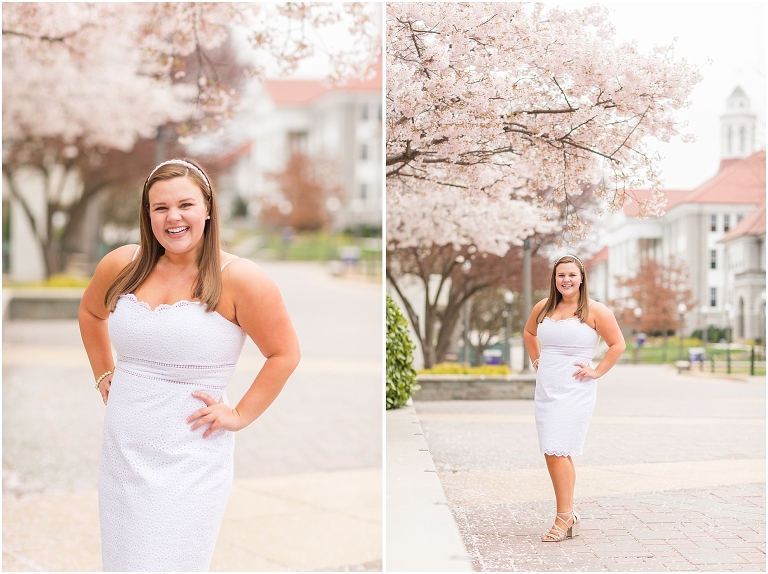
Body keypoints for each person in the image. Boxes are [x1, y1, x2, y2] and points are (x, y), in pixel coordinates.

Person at [78, 158, 300, 571]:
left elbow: (284, 353)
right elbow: (91, 314)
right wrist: (104, 373)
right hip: (125, 449)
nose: (173, 217)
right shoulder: (121, 265)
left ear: (208, 208)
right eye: (160, 207)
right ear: (147, 215)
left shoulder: (241, 278)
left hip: (192, 455)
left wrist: (238, 414)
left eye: (185, 205)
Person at [523, 254, 625, 542]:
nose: (565, 280)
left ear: (581, 278)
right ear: (554, 280)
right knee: (554, 450)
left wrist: (597, 371)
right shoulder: (543, 307)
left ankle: (564, 517)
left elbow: (618, 344)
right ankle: (568, 514)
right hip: (546, 389)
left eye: (571, 275)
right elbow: (530, 333)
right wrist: (536, 359)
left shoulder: (596, 311)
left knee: (557, 449)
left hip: (575, 390)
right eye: (560, 275)